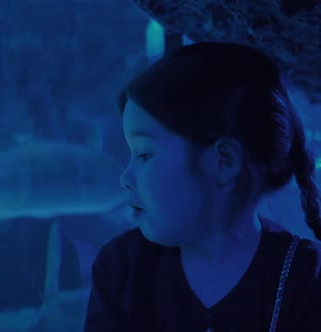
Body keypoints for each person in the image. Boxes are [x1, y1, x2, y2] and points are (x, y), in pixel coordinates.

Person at [84, 42, 321, 331]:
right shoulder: (119, 269)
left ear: (223, 162)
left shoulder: (307, 278)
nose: (125, 176)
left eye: (144, 154)